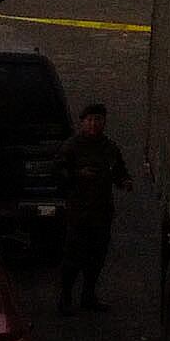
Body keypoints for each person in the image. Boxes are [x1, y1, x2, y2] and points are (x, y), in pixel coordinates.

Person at [55, 102, 128, 314]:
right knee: (73, 257)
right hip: (79, 213)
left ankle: (89, 295)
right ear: (83, 122)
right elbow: (59, 171)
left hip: (101, 212)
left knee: (96, 257)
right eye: (90, 120)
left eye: (98, 120)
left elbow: (119, 170)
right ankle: (66, 297)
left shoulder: (109, 148)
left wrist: (124, 181)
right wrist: (78, 175)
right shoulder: (72, 147)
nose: (94, 124)